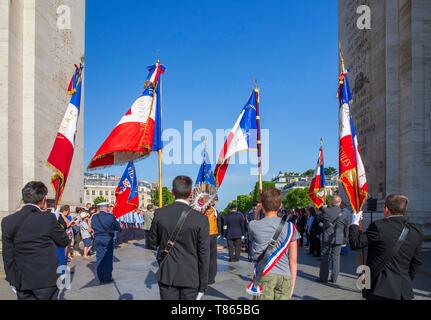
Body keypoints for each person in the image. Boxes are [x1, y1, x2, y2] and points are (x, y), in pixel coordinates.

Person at [1, 181, 69, 300]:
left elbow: (7, 255)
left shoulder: (7, 221)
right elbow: (63, 241)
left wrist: (12, 279)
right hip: (46, 280)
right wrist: (57, 222)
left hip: (21, 279)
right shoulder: (48, 218)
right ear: (43, 199)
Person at [349, 194, 423, 300]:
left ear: (386, 209)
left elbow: (355, 243)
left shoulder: (378, 226)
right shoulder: (416, 230)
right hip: (403, 291)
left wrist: (354, 223)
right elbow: (416, 262)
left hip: (380, 289)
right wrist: (404, 280)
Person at [150, 176, 210, 300]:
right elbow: (204, 254)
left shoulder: (160, 213)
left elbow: (152, 242)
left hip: (167, 274)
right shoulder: (201, 219)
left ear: (173, 192)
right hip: (191, 276)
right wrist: (203, 284)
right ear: (191, 193)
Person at [248, 188, 300, 300]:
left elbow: (253, 231)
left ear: (262, 205)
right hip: (285, 277)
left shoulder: (253, 225)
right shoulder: (290, 227)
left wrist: (256, 212)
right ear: (280, 205)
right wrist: (292, 285)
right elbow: (293, 261)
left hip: (264, 274)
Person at [318, 195, 349, 283]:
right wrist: (345, 239)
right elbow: (346, 227)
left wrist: (323, 209)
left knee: (325, 257)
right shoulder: (344, 213)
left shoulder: (326, 210)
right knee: (336, 258)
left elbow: (319, 219)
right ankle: (334, 278)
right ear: (340, 203)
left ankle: (323, 278)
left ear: (332, 202)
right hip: (339, 238)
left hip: (327, 237)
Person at [91, 202, 121, 284]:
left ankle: (101, 278)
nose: (109, 208)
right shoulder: (110, 217)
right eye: (108, 207)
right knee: (107, 258)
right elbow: (117, 227)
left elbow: (93, 226)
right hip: (107, 239)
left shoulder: (94, 217)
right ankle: (107, 277)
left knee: (99, 258)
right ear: (105, 207)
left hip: (98, 238)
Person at [203, 201, 219, 285]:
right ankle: (211, 278)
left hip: (203, 235)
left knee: (203, 257)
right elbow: (218, 222)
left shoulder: (200, 210)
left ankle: (203, 277)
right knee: (213, 258)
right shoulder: (214, 210)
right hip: (213, 235)